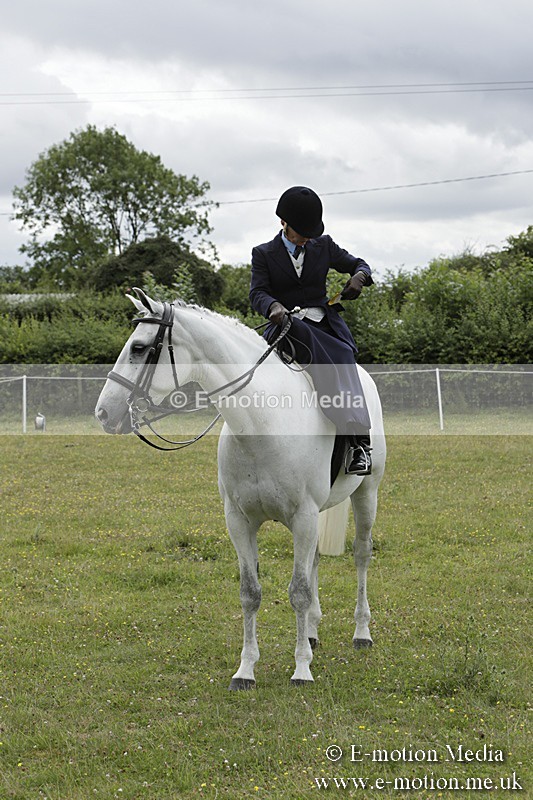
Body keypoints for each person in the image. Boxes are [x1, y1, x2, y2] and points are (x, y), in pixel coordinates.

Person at [249, 185, 373, 475]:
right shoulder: (263, 254)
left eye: (310, 233)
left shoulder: (323, 245)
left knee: (343, 353)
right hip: (285, 327)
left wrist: (359, 277)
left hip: (324, 322)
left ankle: (359, 444)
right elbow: (257, 293)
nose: (306, 239)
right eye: (300, 233)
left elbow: (360, 264)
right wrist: (273, 307)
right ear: (284, 223)